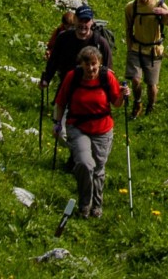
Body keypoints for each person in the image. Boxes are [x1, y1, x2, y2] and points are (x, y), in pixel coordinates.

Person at [52, 45, 123, 218]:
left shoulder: (108, 77)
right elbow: (60, 102)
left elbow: (117, 103)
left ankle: (96, 206)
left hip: (103, 128)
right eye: (87, 64)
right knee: (84, 163)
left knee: (98, 168)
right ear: (81, 64)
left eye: (94, 64)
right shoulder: (73, 77)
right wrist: (57, 124)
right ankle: (85, 203)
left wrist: (123, 94)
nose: (91, 68)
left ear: (99, 63)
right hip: (78, 127)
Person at [123, 0, 168, 118]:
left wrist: (166, 13)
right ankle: (138, 103)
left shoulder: (158, 5)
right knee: (135, 80)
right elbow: (128, 28)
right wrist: (130, 47)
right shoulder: (131, 7)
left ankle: (151, 107)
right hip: (136, 47)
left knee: (151, 84)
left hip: (154, 50)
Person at [41, 5, 113, 91]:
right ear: (74, 19)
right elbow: (53, 61)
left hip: (92, 88)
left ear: (92, 22)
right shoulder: (63, 38)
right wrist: (46, 79)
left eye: (86, 21)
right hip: (67, 85)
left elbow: (108, 69)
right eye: (80, 20)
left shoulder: (100, 42)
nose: (83, 24)